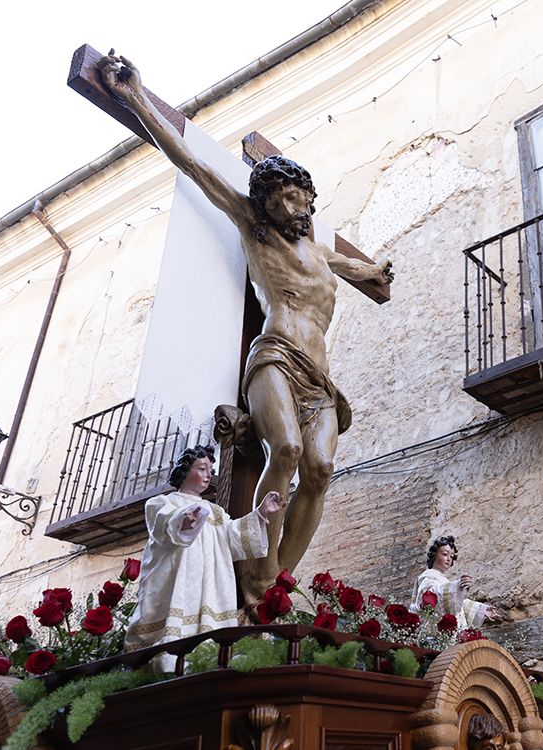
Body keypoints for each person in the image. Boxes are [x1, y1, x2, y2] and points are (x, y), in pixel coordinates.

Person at [98, 53, 394, 607]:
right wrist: (135, 96)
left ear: (309, 199)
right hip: (275, 358)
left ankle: (276, 575)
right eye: (275, 197)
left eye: (294, 195)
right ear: (263, 204)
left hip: (320, 379)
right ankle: (258, 574)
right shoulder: (256, 232)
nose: (286, 204)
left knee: (321, 468)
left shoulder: (323, 253)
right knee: (282, 448)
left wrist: (375, 271)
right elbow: (195, 165)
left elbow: (366, 272)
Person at [124, 445, 287, 661]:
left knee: (209, 643)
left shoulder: (215, 512)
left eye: (211, 470)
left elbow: (234, 537)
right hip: (177, 582)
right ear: (184, 470)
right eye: (202, 468)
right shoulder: (162, 502)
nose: (209, 475)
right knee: (169, 652)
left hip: (210, 585)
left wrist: (261, 513)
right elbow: (163, 523)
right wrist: (182, 521)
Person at [410, 535, 501, 629]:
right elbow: (429, 596)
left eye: (451, 556)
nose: (449, 559)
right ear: (434, 555)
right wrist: (456, 586)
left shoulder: (445, 580)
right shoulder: (428, 575)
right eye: (445, 554)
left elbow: (457, 606)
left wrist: (480, 609)